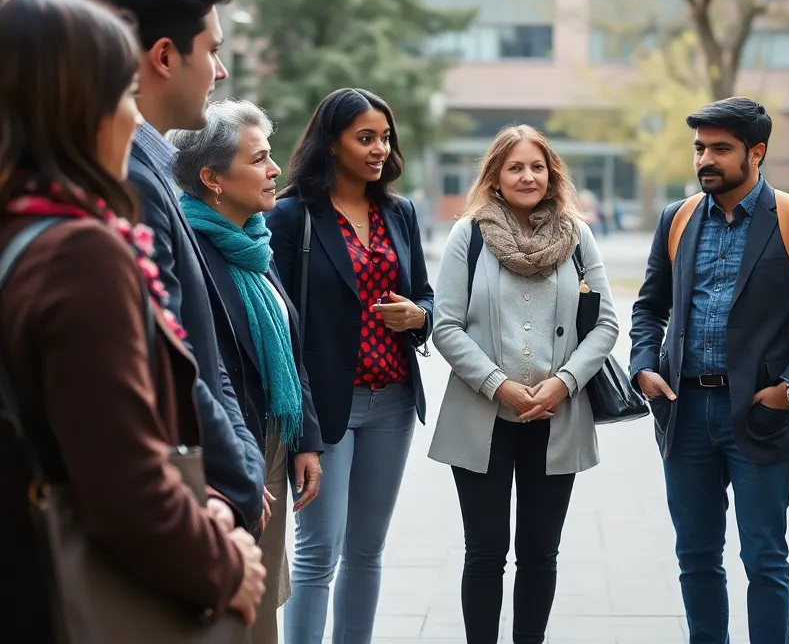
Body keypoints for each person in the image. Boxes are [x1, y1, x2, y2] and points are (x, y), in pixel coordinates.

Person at [0, 0, 267, 640]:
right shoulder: (79, 254)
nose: (134, 120)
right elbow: (127, 491)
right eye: (123, 95)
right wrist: (226, 563)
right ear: (75, 106)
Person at [629, 97, 789, 644]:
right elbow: (649, 307)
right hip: (684, 411)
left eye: (721, 149)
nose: (706, 159)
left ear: (757, 152)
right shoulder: (675, 220)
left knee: (764, 557)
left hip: (760, 413)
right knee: (695, 556)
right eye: (701, 148)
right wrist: (644, 365)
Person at [78, 0, 266, 532]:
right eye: (212, 51)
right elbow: (174, 362)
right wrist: (239, 480)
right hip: (191, 503)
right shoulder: (127, 179)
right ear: (164, 56)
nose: (221, 72)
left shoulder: (147, 168)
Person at [429, 125, 620, 644]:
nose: (527, 176)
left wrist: (563, 383)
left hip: (557, 418)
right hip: (482, 416)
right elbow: (445, 325)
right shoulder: (467, 235)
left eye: (537, 166)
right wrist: (498, 385)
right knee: (486, 550)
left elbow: (604, 323)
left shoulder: (578, 235)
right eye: (515, 167)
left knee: (541, 552)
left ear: (552, 174)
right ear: (495, 177)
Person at [267, 87, 434, 644]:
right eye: (365, 137)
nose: (379, 149)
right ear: (331, 143)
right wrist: (303, 432)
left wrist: (419, 316)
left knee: (367, 551)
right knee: (319, 553)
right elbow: (280, 324)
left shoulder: (400, 212)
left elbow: (428, 299)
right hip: (323, 407)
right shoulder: (292, 216)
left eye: (385, 137)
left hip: (393, 400)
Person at [171, 99, 326, 644]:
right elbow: (205, 371)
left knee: (267, 593)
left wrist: (304, 437)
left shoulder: (254, 244)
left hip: (274, 443)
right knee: (239, 595)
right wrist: (236, 459)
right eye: (259, 159)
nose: (276, 169)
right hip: (235, 451)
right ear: (212, 178)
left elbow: (289, 343)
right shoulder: (190, 250)